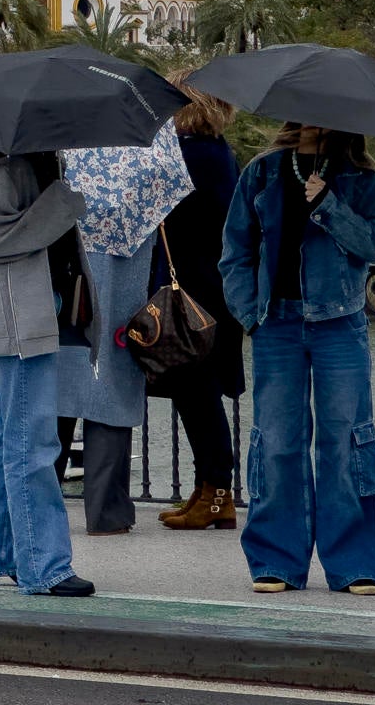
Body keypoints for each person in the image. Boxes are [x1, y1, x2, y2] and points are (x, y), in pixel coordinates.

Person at [221, 123, 375, 596]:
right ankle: (276, 560)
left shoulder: (362, 179)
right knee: (276, 440)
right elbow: (234, 250)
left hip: (339, 322)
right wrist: (248, 314)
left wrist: (328, 206)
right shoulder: (261, 173)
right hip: (275, 323)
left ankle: (354, 563)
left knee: (346, 440)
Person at [0, 145, 96, 598]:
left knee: (8, 441)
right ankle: (44, 566)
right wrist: (61, 208)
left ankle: (0, 556)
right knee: (32, 442)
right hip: (17, 320)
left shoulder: (9, 165)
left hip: (22, 316)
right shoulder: (7, 169)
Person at [53, 128, 189, 536]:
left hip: (60, 279)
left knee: (53, 392)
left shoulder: (54, 139)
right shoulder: (139, 136)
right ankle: (107, 511)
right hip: (122, 285)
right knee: (110, 390)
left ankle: (40, 506)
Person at [150, 77, 243, 531]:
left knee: (198, 395)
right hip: (211, 289)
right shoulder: (216, 151)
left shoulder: (189, 155)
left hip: (192, 293)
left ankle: (216, 494)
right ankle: (209, 491)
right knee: (197, 395)